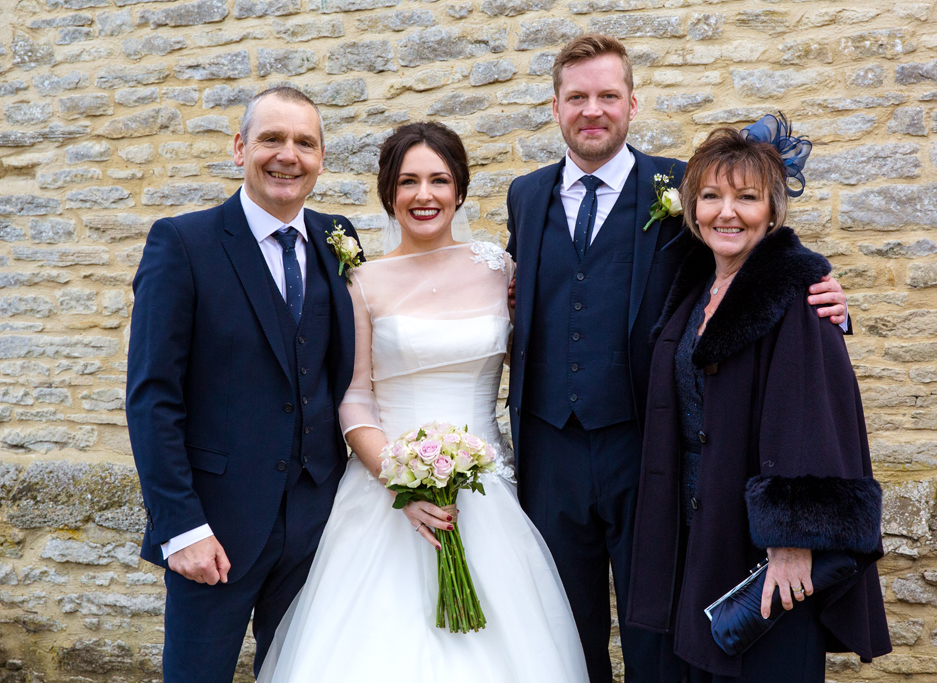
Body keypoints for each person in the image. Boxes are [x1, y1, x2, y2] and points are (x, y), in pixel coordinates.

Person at [504, 33, 851, 683]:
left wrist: (823, 294)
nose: (592, 110)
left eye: (608, 96)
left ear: (631, 104)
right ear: (555, 107)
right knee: (559, 627)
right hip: (549, 450)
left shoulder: (679, 184)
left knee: (656, 629)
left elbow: (750, 247)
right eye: (577, 97)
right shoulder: (525, 195)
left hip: (646, 448)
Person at [254, 121, 589, 683]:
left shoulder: (501, 270)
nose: (424, 195)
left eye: (439, 180)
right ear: (389, 193)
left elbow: (538, 357)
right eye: (408, 181)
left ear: (460, 189)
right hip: (387, 491)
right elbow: (354, 398)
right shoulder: (362, 282)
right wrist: (402, 482)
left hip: (486, 491)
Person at [626, 117, 891, 682]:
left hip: (764, 552)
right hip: (699, 533)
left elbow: (813, 421)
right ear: (693, 209)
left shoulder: (799, 295)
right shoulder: (694, 290)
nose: (727, 212)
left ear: (772, 211)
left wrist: (792, 540)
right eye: (711, 196)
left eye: (746, 198)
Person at [126, 86, 362, 683]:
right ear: (239, 148)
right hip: (215, 528)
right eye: (271, 139)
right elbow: (152, 398)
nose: (288, 155)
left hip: (318, 523)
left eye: (304, 143)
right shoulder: (183, 243)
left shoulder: (339, 237)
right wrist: (181, 528)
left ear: (321, 157)